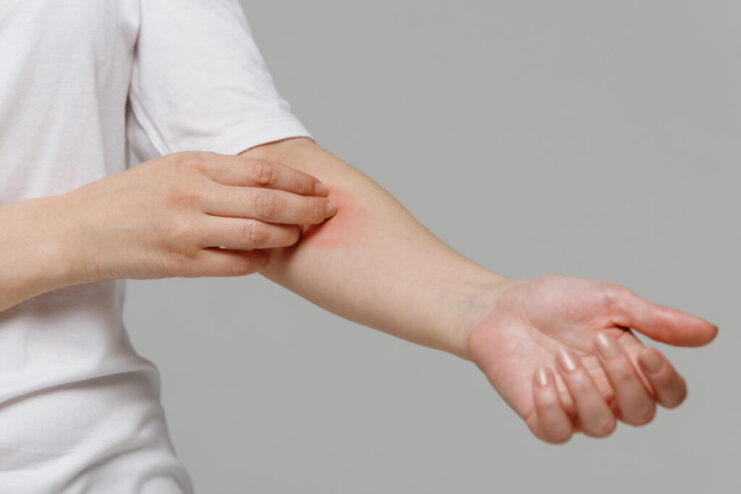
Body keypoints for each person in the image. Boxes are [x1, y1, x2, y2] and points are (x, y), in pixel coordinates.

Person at [0, 1, 717, 492]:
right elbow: (114, 219)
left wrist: (483, 305)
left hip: (106, 469)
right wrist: (75, 232)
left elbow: (265, 176)